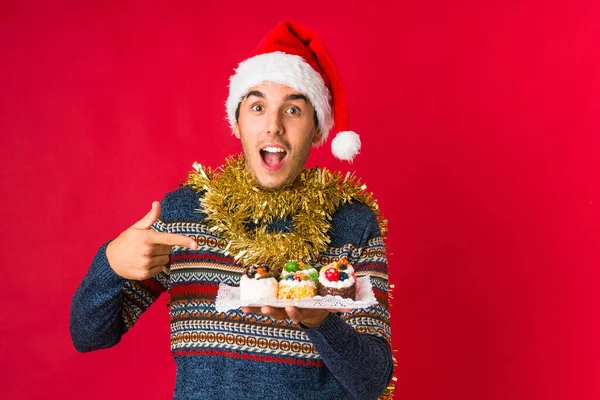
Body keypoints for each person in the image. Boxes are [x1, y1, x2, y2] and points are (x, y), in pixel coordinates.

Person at [70, 21, 394, 400]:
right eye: (257, 107)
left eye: (292, 110)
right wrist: (110, 264)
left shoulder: (353, 223)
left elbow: (373, 380)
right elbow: (88, 336)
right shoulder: (183, 215)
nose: (273, 126)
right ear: (237, 123)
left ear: (315, 128)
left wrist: (321, 322)